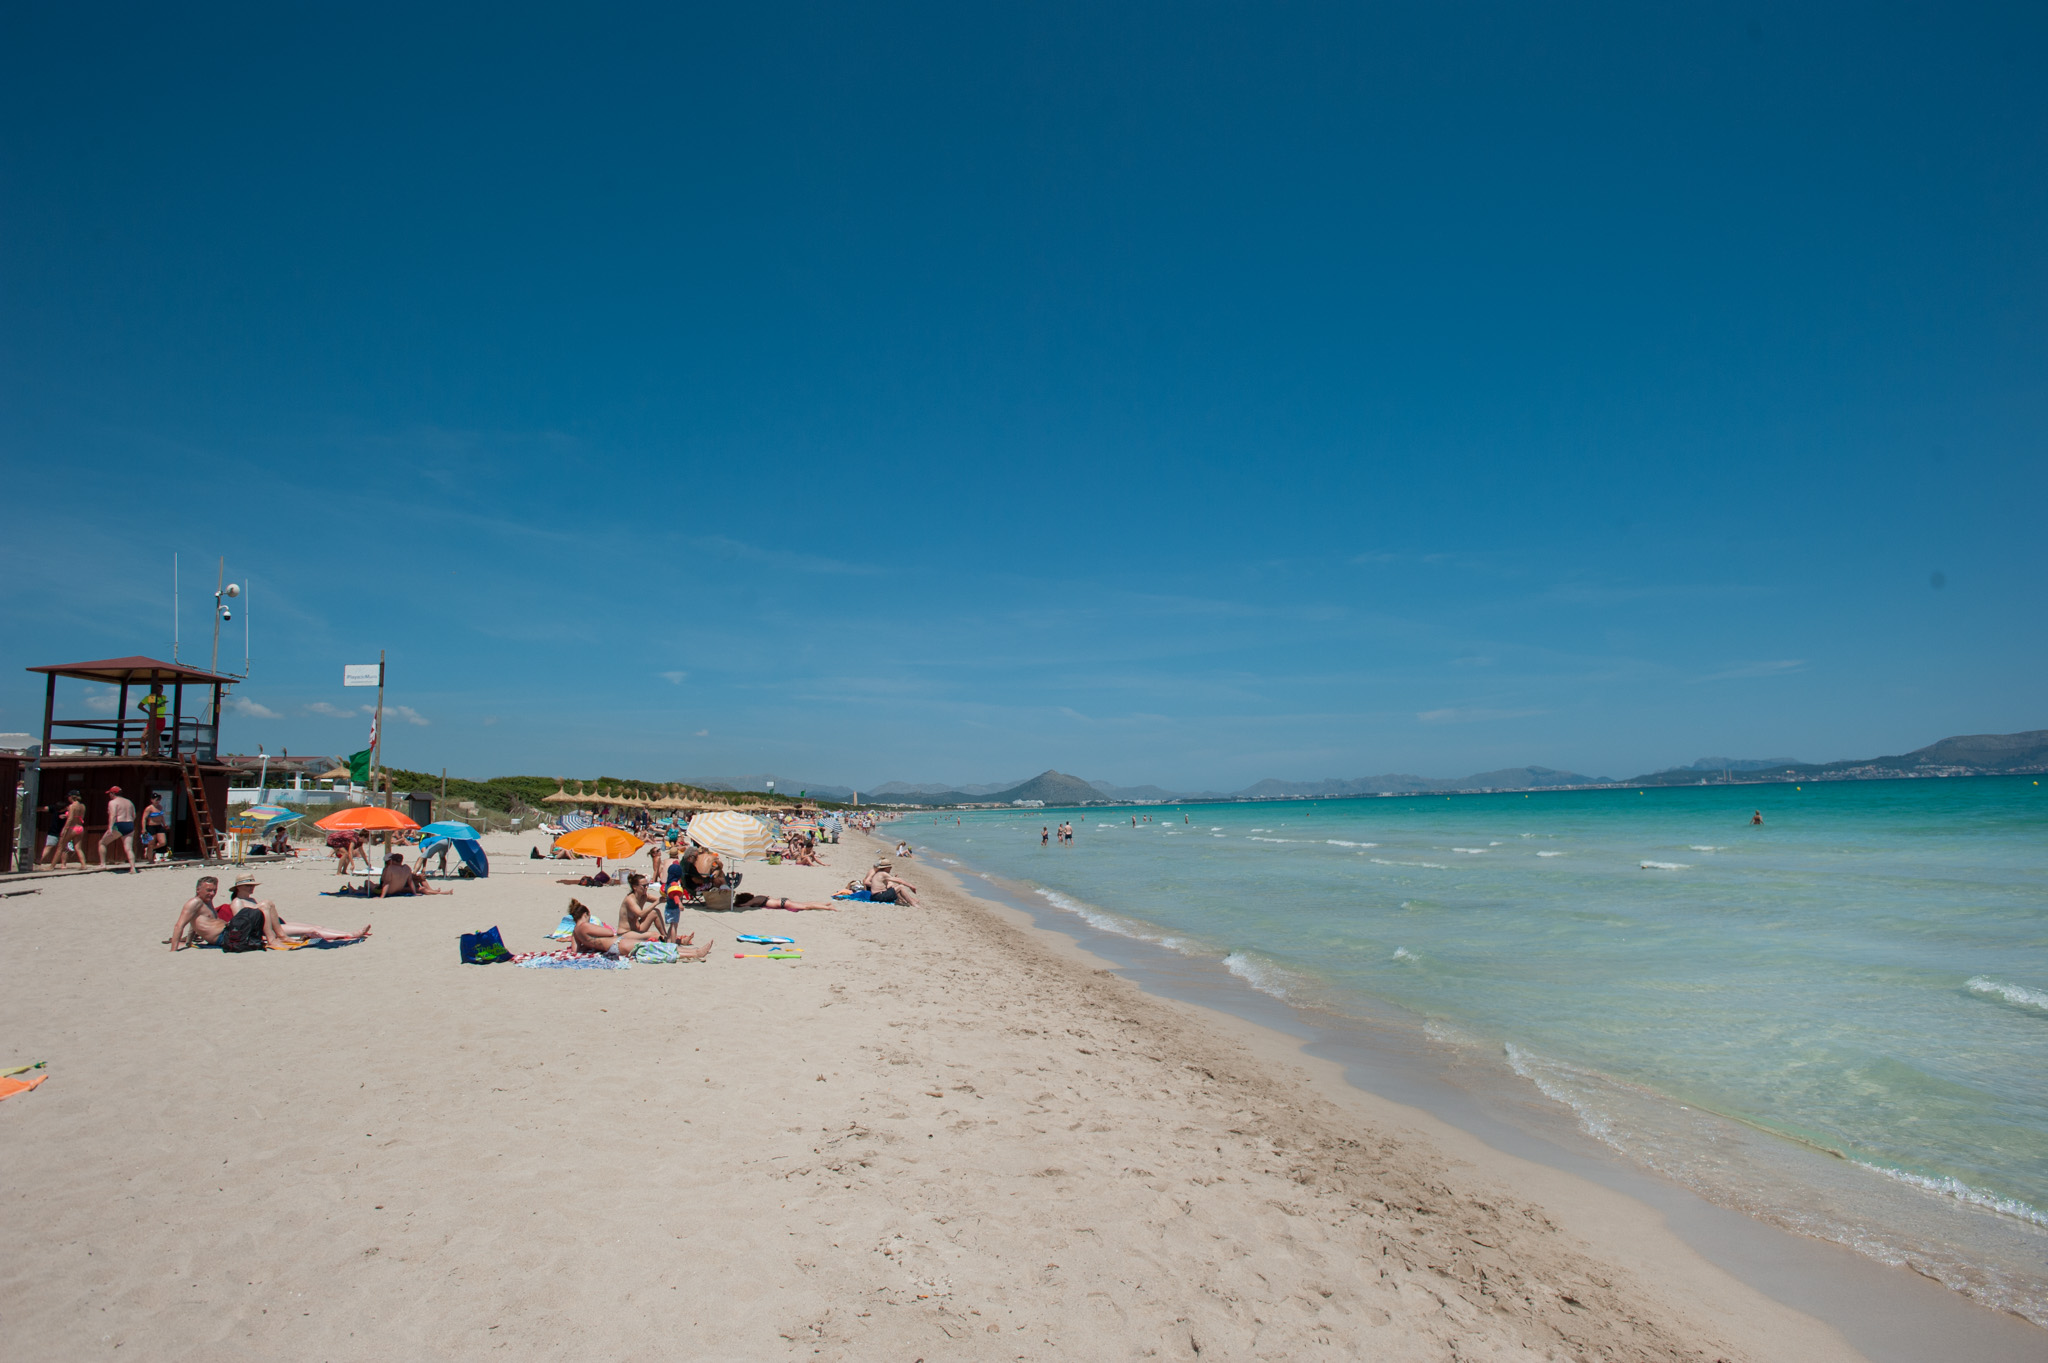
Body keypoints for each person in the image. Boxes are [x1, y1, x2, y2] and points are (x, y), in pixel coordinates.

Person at [226, 874, 372, 944]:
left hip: (277, 924)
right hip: (267, 929)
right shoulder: (237, 902)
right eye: (248, 886)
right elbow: (242, 923)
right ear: (239, 888)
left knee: (315, 926)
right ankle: (349, 935)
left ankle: (348, 932)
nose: (251, 888)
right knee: (311, 931)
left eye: (252, 886)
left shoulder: (251, 900)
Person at [566, 898, 707, 958]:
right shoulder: (585, 926)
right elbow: (609, 932)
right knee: (652, 948)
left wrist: (591, 943)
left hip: (611, 947)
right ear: (585, 914)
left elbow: (575, 950)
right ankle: (694, 953)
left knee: (651, 947)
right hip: (616, 944)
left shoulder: (575, 932)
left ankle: (693, 952)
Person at [379, 853, 451, 897]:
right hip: (398, 887)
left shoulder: (397, 867)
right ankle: (441, 892)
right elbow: (385, 882)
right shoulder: (387, 869)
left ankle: (432, 890)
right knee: (421, 888)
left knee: (420, 878)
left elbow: (407, 877)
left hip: (402, 883)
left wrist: (417, 877)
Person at [55, 794, 89, 870]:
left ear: (71, 797)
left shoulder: (72, 806)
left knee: (61, 847)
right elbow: (80, 817)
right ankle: (84, 865)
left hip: (72, 827)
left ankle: (55, 865)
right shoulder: (82, 806)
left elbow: (70, 819)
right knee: (78, 848)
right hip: (80, 827)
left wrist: (65, 829)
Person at [142, 795, 171, 862]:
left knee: (163, 842)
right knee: (151, 843)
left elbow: (161, 816)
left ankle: (151, 849)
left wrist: (164, 824)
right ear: (152, 800)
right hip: (151, 826)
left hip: (159, 826)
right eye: (156, 800)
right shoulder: (149, 808)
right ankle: (150, 859)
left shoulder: (160, 807)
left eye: (158, 800)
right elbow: (144, 819)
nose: (157, 801)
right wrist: (143, 828)